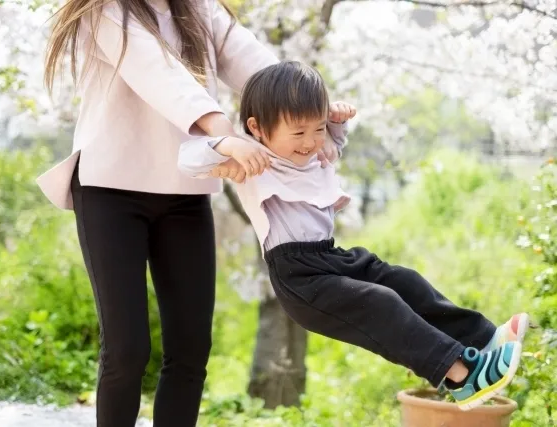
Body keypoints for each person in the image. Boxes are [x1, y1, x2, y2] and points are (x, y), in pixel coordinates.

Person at [38, 1, 344, 426]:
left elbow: (252, 61)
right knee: (127, 350)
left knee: (190, 349)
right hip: (110, 189)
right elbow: (158, 72)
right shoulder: (103, 9)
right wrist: (226, 134)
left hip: (184, 194)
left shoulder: (198, 9)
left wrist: (315, 116)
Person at [178, 60, 530, 411]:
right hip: (299, 277)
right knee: (381, 303)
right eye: (299, 133)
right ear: (257, 128)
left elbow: (330, 136)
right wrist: (229, 146)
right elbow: (188, 159)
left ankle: (483, 339)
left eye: (316, 130)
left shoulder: (318, 150)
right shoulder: (252, 162)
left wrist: (331, 120)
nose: (310, 143)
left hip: (331, 257)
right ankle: (462, 377)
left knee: (402, 282)